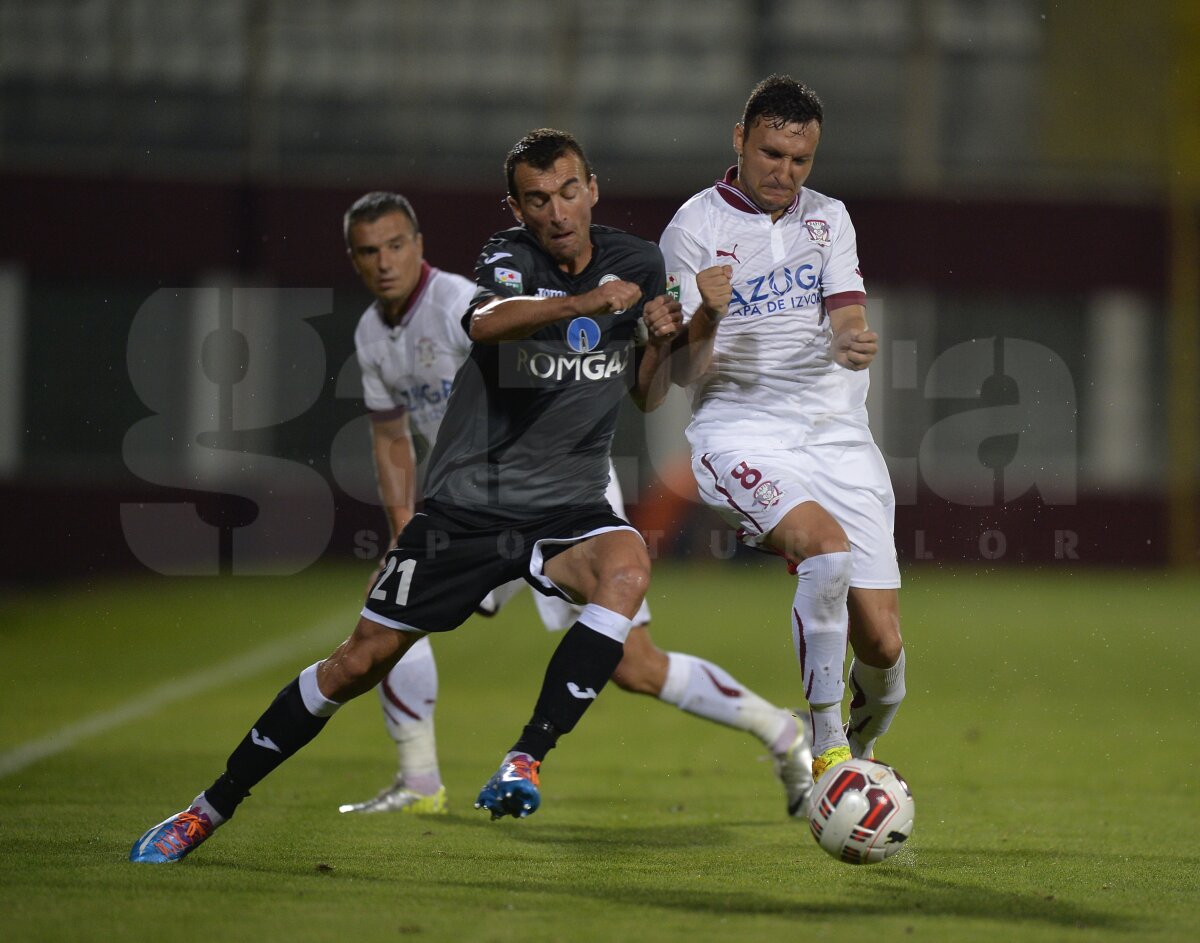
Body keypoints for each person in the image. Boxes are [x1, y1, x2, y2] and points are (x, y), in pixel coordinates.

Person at [128, 128, 761, 864]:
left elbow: (649, 397)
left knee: (626, 569)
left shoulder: (640, 261)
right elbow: (488, 324)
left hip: (570, 502)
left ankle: (524, 757)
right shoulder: (507, 256)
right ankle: (208, 807)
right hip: (471, 504)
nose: (556, 212)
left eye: (567, 192)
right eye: (537, 199)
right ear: (516, 207)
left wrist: (666, 336)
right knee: (357, 662)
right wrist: (584, 302)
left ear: (592, 189)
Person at [337, 191, 814, 819]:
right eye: (369, 252)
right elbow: (391, 436)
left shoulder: (461, 302)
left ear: (419, 245)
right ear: (352, 259)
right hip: (476, 508)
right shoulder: (373, 332)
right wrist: (406, 529)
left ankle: (783, 733)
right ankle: (419, 781)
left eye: (396, 245)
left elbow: (551, 349)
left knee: (635, 667)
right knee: (391, 613)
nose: (385, 263)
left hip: (562, 497)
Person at [659, 75, 907, 784]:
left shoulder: (829, 217)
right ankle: (826, 743)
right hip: (741, 430)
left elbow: (847, 312)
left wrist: (853, 340)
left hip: (836, 431)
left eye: (800, 160)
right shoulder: (694, 227)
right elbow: (682, 372)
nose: (785, 173)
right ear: (739, 140)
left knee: (884, 649)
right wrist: (705, 312)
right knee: (824, 553)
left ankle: (850, 759)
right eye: (771, 154)